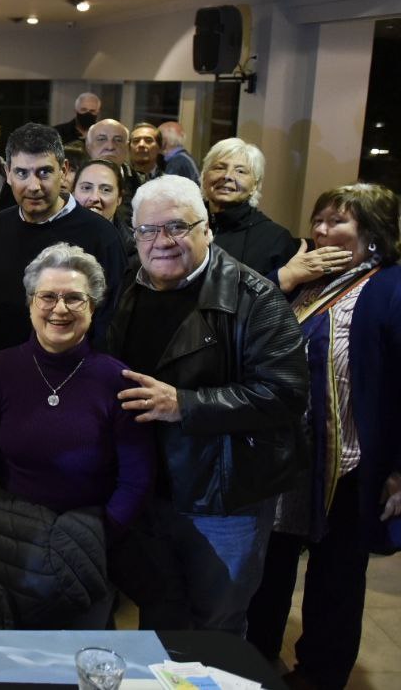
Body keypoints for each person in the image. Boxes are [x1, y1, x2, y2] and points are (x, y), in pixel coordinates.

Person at [106, 174, 308, 635]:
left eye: (178, 227)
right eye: (147, 230)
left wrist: (185, 404)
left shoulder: (255, 298)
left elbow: (286, 393)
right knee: (160, 613)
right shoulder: (130, 286)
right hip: (149, 487)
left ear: (207, 229)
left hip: (223, 498)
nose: (162, 241)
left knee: (216, 622)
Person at [247, 184, 401, 688]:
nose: (320, 230)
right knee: (271, 567)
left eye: (337, 221)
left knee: (335, 580)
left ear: (373, 235)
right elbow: (243, 322)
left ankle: (319, 674)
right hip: (286, 459)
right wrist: (286, 279)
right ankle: (255, 653)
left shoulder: (388, 288)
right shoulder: (308, 281)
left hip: (350, 462)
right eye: (318, 220)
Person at [0, 243, 155, 628]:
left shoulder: (117, 379)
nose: (60, 309)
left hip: (85, 547)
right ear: (31, 302)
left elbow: (137, 479)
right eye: (47, 296)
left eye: (74, 298)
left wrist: (96, 538)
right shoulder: (0, 369)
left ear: (93, 306)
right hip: (6, 539)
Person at [0, 123, 126, 354]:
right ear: (8, 174)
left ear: (64, 170)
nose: (33, 186)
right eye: (21, 173)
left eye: (44, 172)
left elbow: (110, 324)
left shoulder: (101, 235)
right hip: (4, 369)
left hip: (73, 375)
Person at [201, 137, 300, 279]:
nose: (228, 176)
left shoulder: (275, 239)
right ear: (204, 177)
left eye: (240, 171)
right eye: (219, 168)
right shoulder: (183, 225)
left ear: (255, 185)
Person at [74, 159, 137, 269]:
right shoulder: (51, 238)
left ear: (119, 198)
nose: (94, 197)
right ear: (73, 193)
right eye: (86, 188)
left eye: (106, 190)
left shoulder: (135, 250)